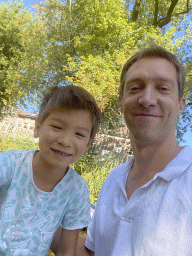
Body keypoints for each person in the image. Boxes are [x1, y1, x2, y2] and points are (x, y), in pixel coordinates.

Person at [72, 44, 192, 255]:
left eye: (163, 88)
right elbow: (94, 252)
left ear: (181, 104)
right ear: (121, 103)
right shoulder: (113, 180)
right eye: (135, 88)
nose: (146, 100)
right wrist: (37, 212)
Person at [0, 85, 101, 256]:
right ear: (38, 126)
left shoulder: (76, 190)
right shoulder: (11, 163)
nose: (65, 141)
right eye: (57, 127)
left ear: (87, 146)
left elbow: (66, 251)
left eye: (79, 134)